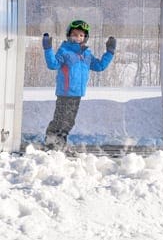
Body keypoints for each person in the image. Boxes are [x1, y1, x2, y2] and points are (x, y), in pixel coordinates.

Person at [42, 19, 116, 150]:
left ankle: (59, 143)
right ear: (69, 35)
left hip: (77, 94)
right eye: (75, 34)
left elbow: (99, 66)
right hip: (65, 93)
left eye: (81, 35)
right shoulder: (64, 51)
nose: (78, 37)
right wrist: (48, 49)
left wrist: (109, 52)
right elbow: (53, 64)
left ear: (85, 37)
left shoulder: (86, 54)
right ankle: (51, 141)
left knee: (69, 121)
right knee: (60, 119)